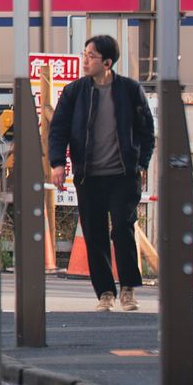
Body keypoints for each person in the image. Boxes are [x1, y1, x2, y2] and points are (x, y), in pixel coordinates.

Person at [48, 31, 154, 313]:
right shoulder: (74, 92)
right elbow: (58, 130)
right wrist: (57, 163)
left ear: (107, 63)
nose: (85, 61)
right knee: (94, 234)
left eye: (91, 56)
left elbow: (147, 130)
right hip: (88, 176)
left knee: (122, 228)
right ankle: (105, 293)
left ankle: (128, 289)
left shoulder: (130, 90)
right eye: (84, 55)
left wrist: (142, 164)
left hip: (123, 175)